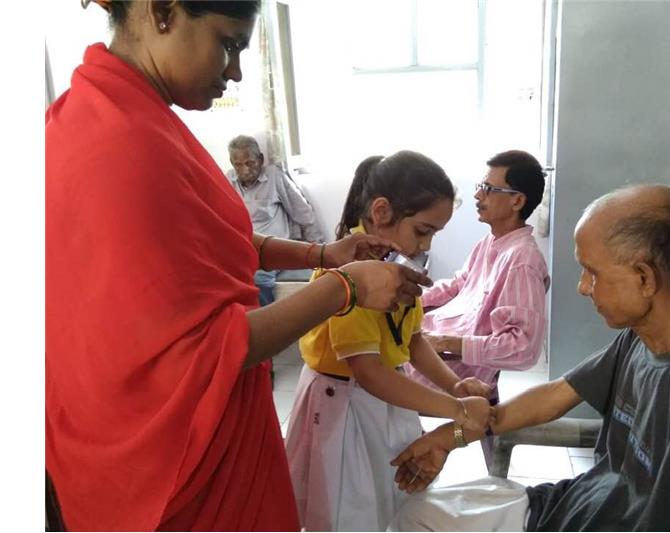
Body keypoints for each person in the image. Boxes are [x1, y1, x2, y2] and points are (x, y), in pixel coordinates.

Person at [45, 1, 430, 531]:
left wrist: (320, 255)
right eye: (228, 44)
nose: (235, 72)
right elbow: (203, 351)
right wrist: (343, 288)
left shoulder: (130, 115)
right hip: (169, 454)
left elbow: (212, 239)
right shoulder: (122, 146)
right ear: (163, 11)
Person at [389, 184, 670, 531]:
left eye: (592, 273)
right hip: (568, 509)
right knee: (412, 515)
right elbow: (558, 394)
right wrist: (450, 435)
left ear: (645, 278)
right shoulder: (639, 340)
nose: (582, 287)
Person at [284, 151, 495, 532]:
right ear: (381, 212)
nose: (426, 246)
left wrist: (456, 386)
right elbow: (368, 372)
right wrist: (455, 410)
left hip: (386, 401)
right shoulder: (350, 275)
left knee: (390, 504)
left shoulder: (397, 265)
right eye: (423, 231)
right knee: (347, 513)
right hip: (344, 408)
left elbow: (413, 342)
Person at [405, 149, 550, 468]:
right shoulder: (492, 242)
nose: (477, 195)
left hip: (458, 368)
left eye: (489, 189)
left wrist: (444, 343)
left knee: (378, 372)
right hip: (443, 344)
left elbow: (524, 348)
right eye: (480, 186)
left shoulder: (521, 260)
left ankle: (407, 457)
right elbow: (460, 283)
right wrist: (411, 297)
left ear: (516, 201)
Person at [226, 134, 325, 304]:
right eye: (238, 165)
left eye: (250, 163)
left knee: (258, 281)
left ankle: (264, 324)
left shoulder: (274, 176)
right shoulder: (228, 180)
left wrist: (320, 254)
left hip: (270, 250)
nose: (245, 170)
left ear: (261, 159)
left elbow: (303, 213)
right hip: (242, 249)